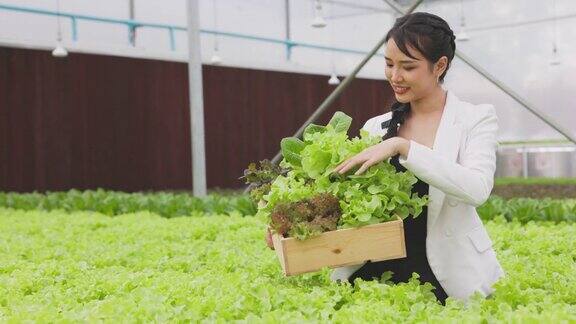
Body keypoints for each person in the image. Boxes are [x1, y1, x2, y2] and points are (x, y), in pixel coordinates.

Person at [266, 11, 504, 304]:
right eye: (389, 64)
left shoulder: (475, 119)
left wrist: (403, 147)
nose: (395, 76)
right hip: (373, 270)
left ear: (439, 66)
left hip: (446, 276)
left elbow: (477, 188)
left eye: (408, 66)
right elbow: (343, 200)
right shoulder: (376, 127)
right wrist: (290, 225)